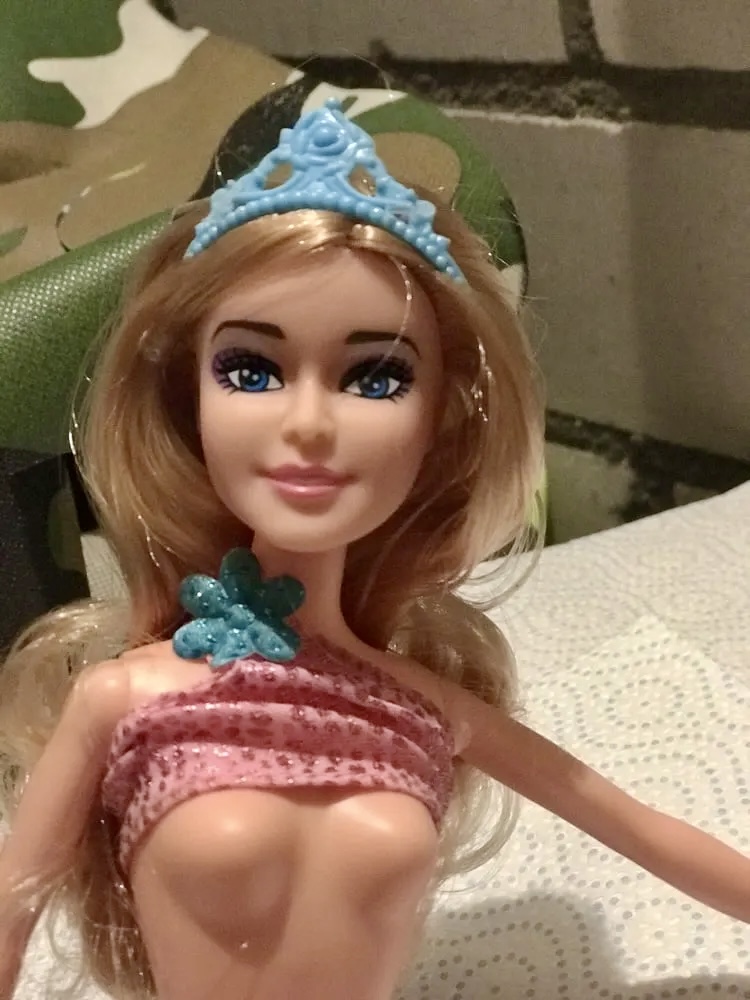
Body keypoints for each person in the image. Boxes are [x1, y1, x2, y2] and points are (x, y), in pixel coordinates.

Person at [0, 100, 748, 1000]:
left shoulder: (424, 709)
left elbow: (641, 829)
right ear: (184, 398)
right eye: (250, 370)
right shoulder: (124, 700)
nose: (309, 423)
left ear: (441, 423)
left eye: (376, 376)